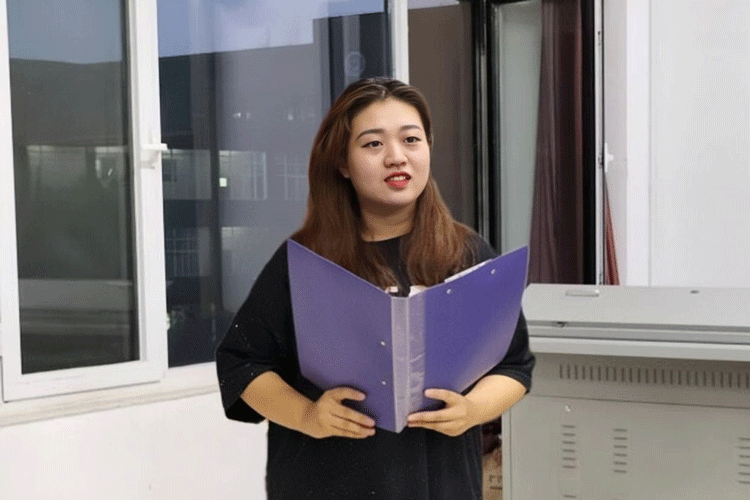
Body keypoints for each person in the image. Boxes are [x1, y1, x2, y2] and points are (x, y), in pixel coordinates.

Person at [216, 77, 535, 499]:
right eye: (373, 144)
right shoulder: (305, 260)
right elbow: (243, 363)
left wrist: (472, 410)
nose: (396, 156)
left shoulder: (465, 253)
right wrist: (309, 415)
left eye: (411, 139)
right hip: (324, 481)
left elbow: (514, 365)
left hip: (439, 482)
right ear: (343, 163)